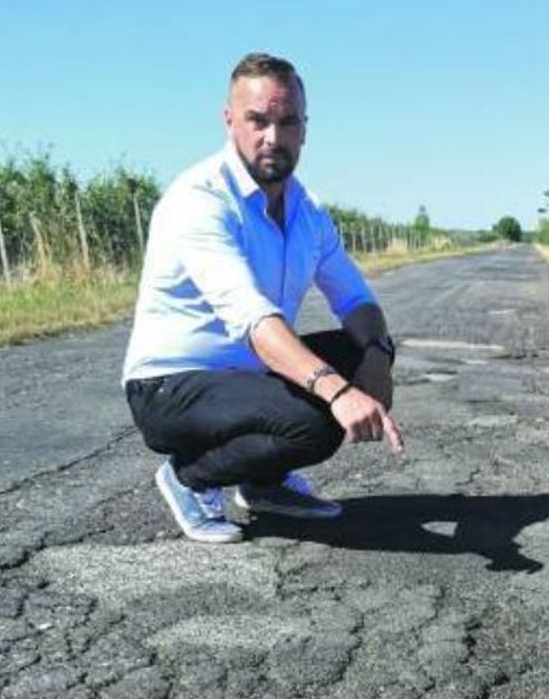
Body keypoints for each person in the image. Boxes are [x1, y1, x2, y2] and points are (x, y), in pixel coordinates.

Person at [122, 52, 403, 543]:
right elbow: (253, 319)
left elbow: (355, 299)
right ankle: (189, 477)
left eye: (287, 121)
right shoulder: (200, 200)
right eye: (258, 120)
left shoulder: (307, 210)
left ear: (305, 128)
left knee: (359, 346)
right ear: (229, 121)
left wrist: (378, 357)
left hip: (246, 377)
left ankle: (263, 483)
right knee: (313, 424)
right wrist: (337, 391)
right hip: (171, 388)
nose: (273, 136)